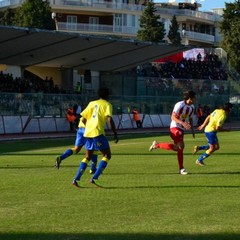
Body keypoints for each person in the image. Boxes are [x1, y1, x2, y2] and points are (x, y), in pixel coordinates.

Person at [72, 88, 119, 188]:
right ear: (107, 96)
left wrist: (89, 128)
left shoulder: (91, 103)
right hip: (97, 132)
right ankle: (95, 178)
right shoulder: (107, 104)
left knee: (87, 157)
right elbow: (109, 120)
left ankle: (76, 179)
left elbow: (83, 119)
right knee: (107, 155)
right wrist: (115, 133)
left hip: (88, 133)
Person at [149, 90, 196, 175]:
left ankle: (157, 145)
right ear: (190, 98)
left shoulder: (192, 107)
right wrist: (182, 123)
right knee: (181, 146)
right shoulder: (179, 105)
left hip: (181, 129)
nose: (196, 99)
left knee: (177, 148)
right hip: (174, 127)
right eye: (194, 97)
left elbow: (191, 118)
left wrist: (193, 130)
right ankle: (181, 169)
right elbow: (173, 117)